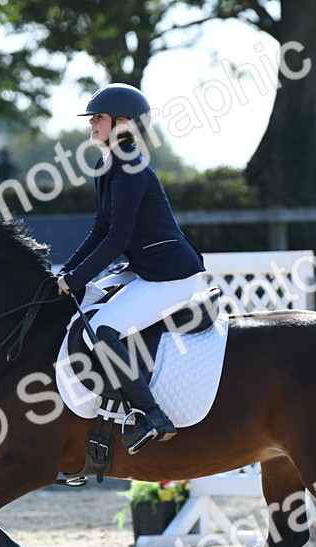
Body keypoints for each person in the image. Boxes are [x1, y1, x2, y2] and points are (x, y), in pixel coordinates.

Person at [56, 83, 205, 454]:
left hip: (170, 274)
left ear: (124, 123)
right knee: (87, 305)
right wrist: (64, 275)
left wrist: (75, 277)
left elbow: (118, 237)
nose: (91, 123)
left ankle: (149, 415)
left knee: (102, 330)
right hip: (144, 267)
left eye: (99, 118)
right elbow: (100, 228)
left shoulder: (128, 166)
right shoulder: (108, 163)